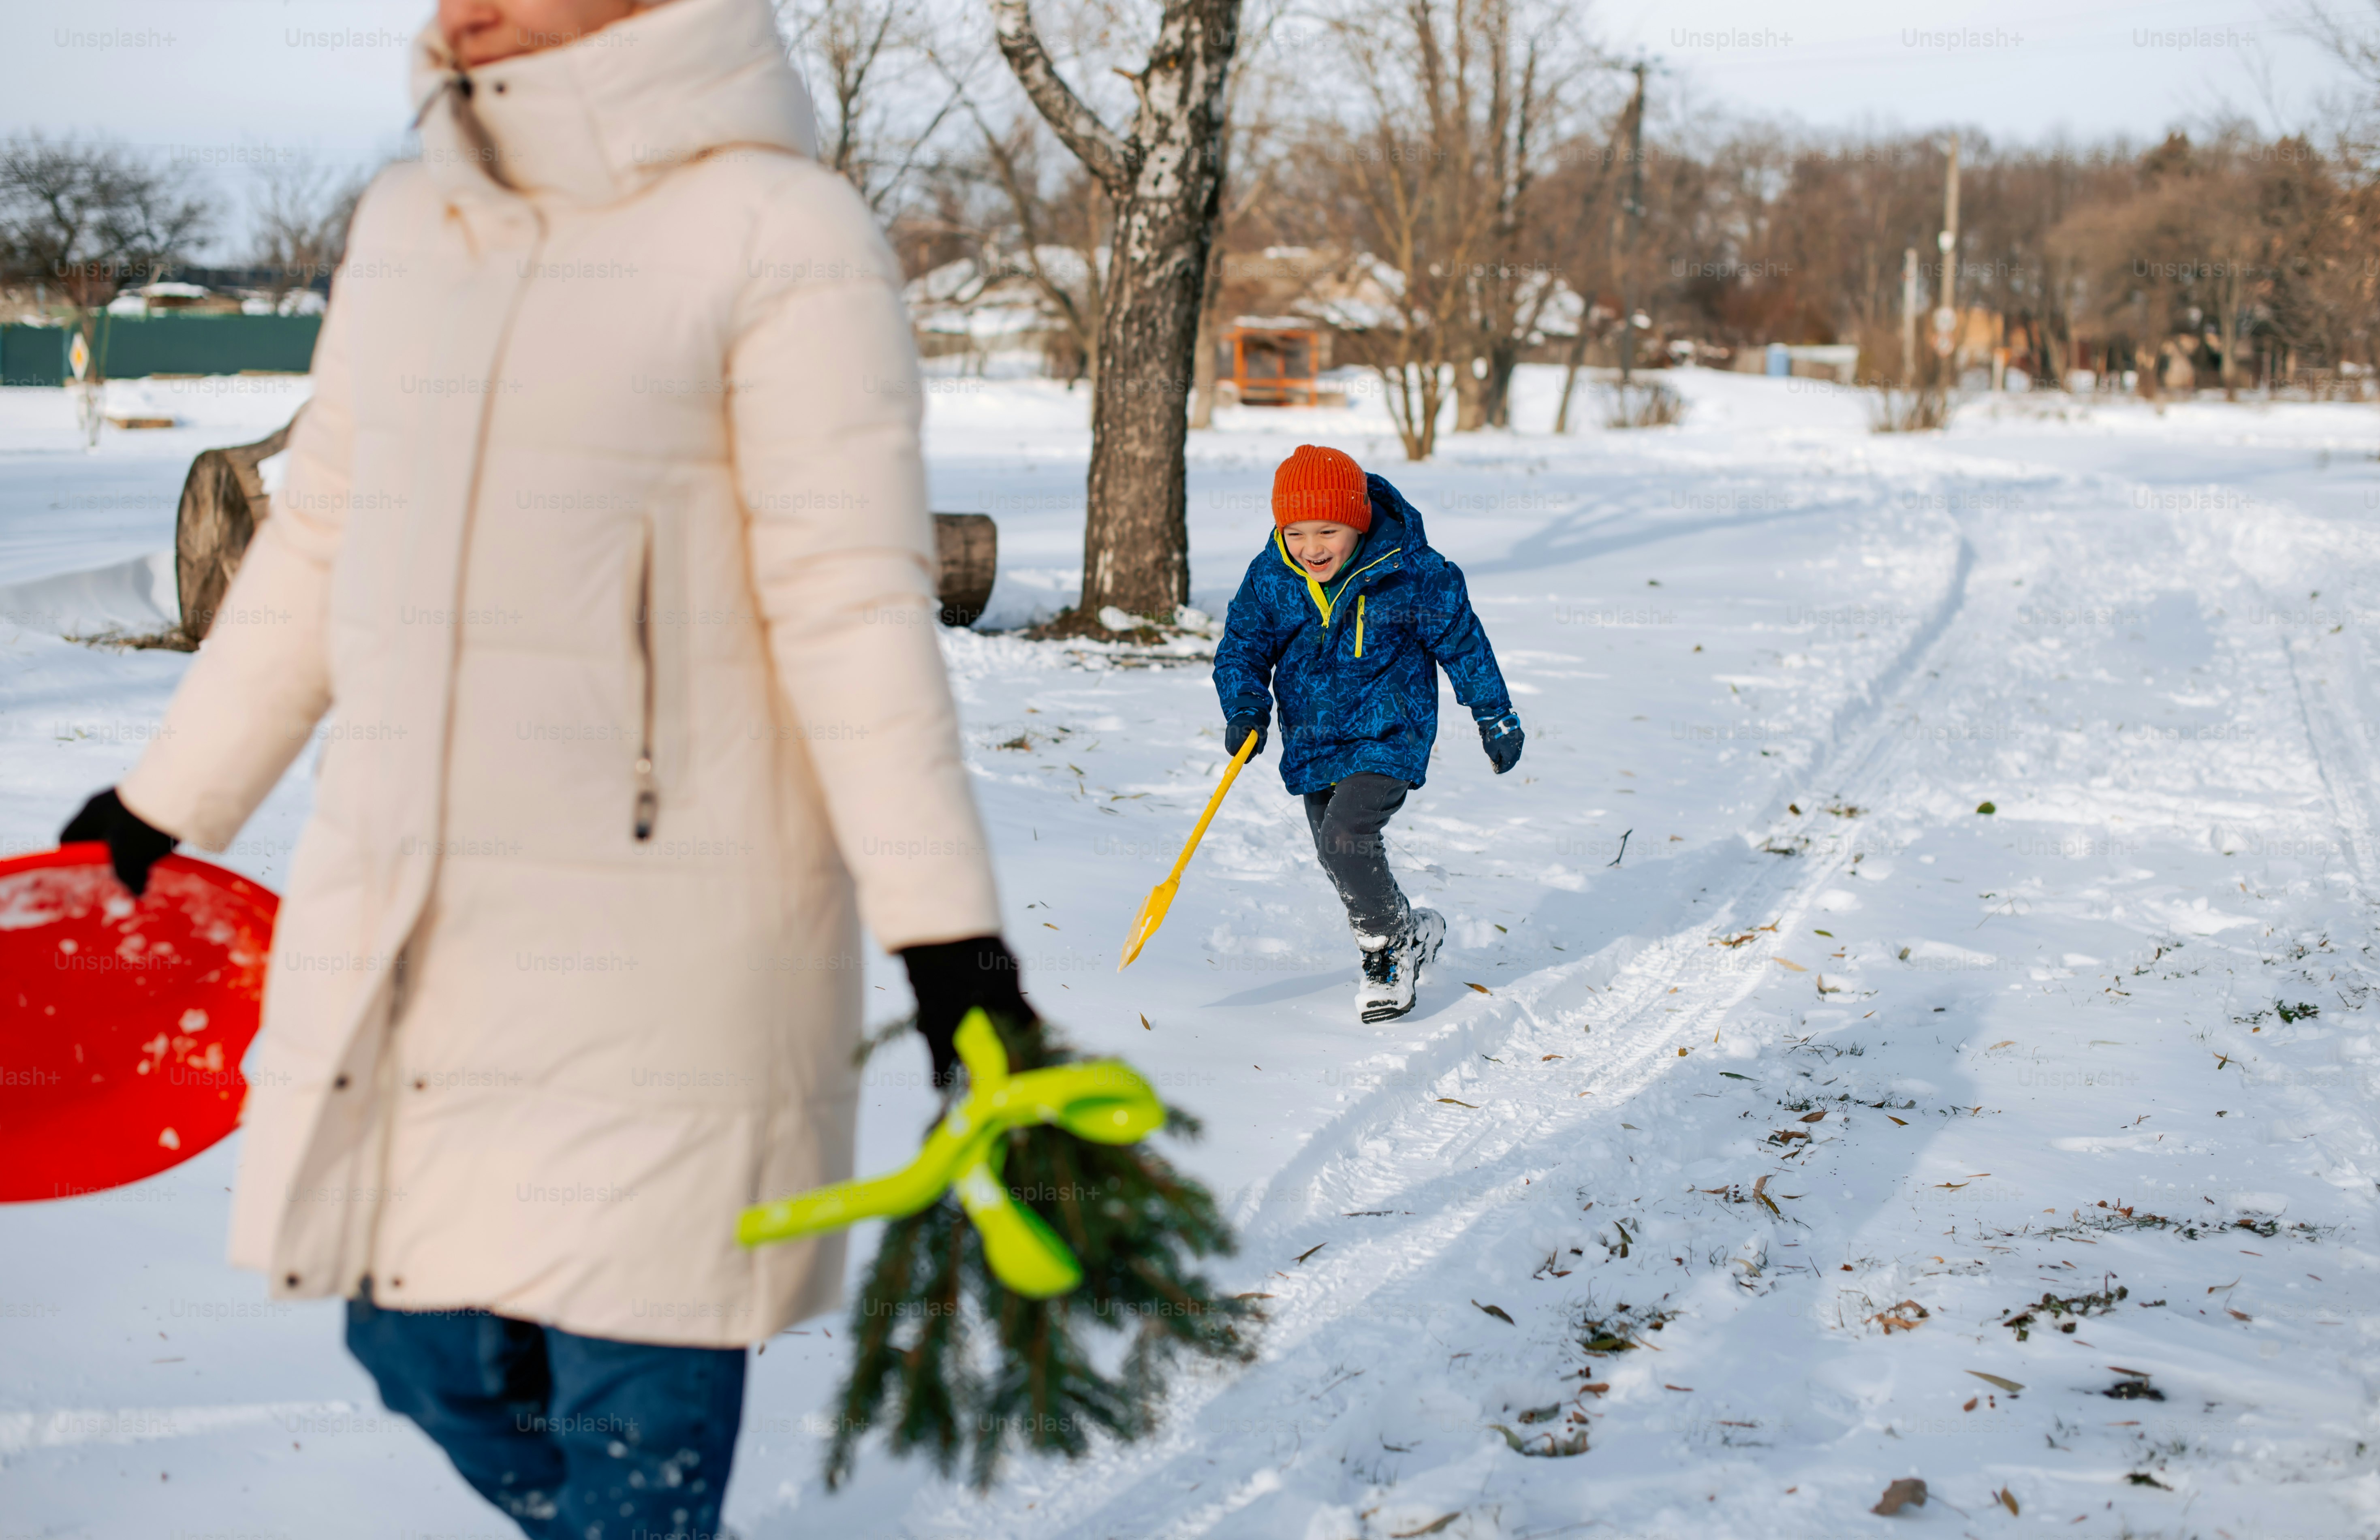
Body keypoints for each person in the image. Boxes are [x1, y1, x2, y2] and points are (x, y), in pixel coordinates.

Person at [57, 0, 1028, 1531]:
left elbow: (849, 605)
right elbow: (319, 537)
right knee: (415, 1338)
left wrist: (944, 935)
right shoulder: (409, 223)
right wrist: (167, 797)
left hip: (678, 935)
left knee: (634, 1397)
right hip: (426, 922)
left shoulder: (778, 228)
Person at [1212, 444, 1522, 1023]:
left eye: (1327, 530)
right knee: (1336, 854)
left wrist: (1493, 714)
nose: (1311, 548)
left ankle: (1385, 953)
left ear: (1356, 520)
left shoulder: (1412, 572)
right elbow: (1243, 647)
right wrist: (1246, 705)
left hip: (1390, 727)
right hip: (1315, 737)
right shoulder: (1272, 577)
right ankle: (1409, 928)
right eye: (1296, 532)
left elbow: (1463, 642)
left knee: (1345, 838)